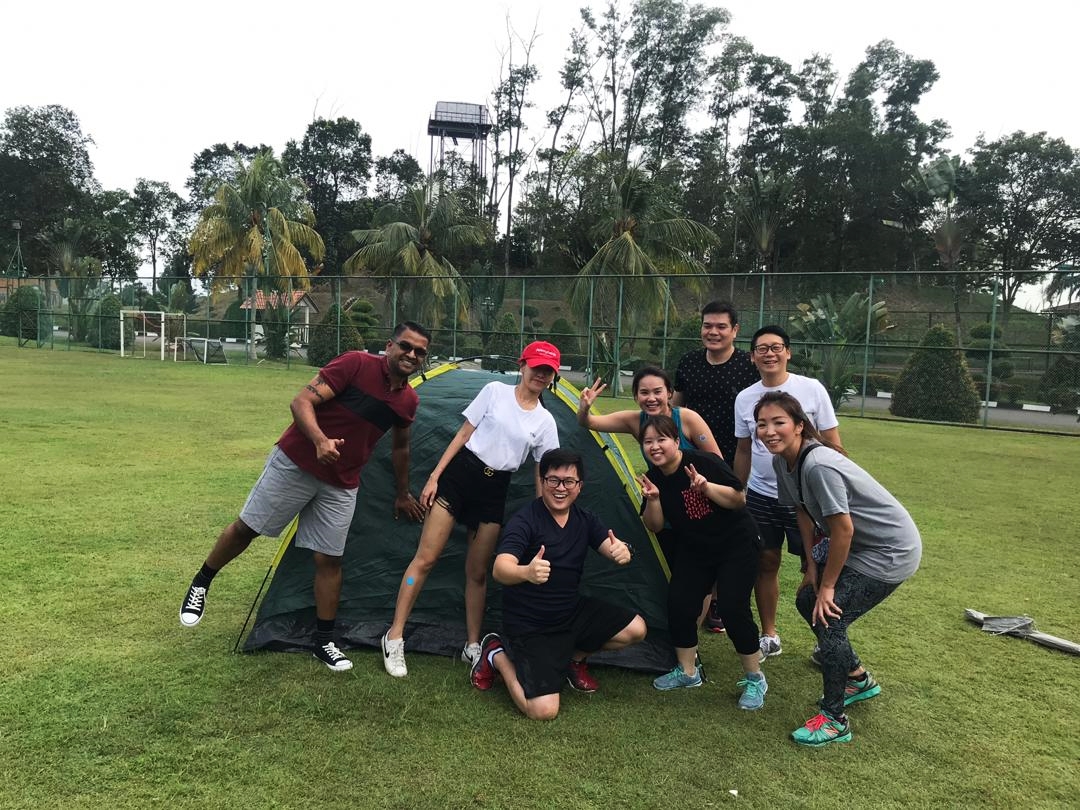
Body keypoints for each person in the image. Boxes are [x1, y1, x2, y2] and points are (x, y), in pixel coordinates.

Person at [179, 322, 431, 672]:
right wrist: (320, 441)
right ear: (389, 345)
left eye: (420, 352)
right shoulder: (355, 364)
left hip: (341, 483)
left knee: (329, 560)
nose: (412, 355)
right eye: (406, 346)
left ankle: (323, 641)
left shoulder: (407, 400)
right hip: (296, 463)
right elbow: (301, 402)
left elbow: (401, 447)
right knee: (248, 528)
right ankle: (202, 581)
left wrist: (403, 493)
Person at [381, 341, 562, 678]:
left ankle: (473, 645)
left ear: (553, 376)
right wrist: (435, 476)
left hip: (495, 491)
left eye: (548, 371)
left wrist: (544, 516)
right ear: (522, 365)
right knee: (425, 559)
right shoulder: (494, 391)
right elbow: (464, 434)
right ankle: (394, 636)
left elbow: (543, 471)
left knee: (478, 572)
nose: (540, 374)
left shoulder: (545, 421)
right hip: (460, 477)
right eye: (536, 367)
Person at [754, 392, 921, 747]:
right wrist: (811, 567)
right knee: (807, 599)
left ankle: (835, 719)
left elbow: (843, 529)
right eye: (762, 424)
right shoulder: (782, 462)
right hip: (859, 544)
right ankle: (857, 677)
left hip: (889, 549)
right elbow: (801, 512)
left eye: (778, 422)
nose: (769, 431)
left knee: (828, 616)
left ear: (799, 426)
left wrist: (828, 586)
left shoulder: (818, 465)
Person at [468, 448, 646, 719]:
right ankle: (496, 654)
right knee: (543, 711)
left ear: (580, 486)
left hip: (569, 613)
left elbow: (612, 546)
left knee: (636, 629)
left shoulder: (585, 519)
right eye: (553, 480)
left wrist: (623, 551)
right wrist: (526, 572)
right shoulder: (525, 520)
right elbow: (500, 569)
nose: (561, 488)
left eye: (569, 481)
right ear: (542, 481)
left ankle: (574, 660)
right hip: (531, 625)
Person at [637, 415, 768, 709]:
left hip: (736, 543)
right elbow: (654, 525)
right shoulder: (653, 478)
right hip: (696, 547)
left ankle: (755, 677)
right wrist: (654, 499)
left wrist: (707, 487)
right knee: (680, 602)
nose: (655, 447)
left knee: (733, 608)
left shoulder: (703, 462)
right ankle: (687, 671)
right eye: (648, 442)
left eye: (661, 439)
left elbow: (739, 499)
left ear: (676, 441)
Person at [733, 325, 842, 662]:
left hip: (807, 499)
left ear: (788, 352)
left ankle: (827, 639)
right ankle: (769, 634)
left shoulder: (812, 389)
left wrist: (831, 487)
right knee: (766, 562)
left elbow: (833, 443)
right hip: (761, 496)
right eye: (761, 349)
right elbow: (744, 450)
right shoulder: (745, 398)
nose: (769, 354)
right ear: (752, 357)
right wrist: (738, 492)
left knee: (817, 565)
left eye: (776, 347)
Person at [672, 300, 760, 634]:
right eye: (708, 325)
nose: (713, 332)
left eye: (721, 326)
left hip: (736, 462)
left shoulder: (748, 366)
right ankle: (699, 599)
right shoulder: (689, 362)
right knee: (699, 531)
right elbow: (675, 409)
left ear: (735, 330)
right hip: (692, 466)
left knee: (730, 529)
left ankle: (723, 601)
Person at [577, 365, 722, 459]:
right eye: (644, 393)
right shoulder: (634, 421)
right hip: (660, 492)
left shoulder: (688, 418)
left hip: (697, 492)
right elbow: (588, 422)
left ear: (669, 393)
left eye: (657, 392)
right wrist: (584, 409)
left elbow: (717, 462)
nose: (651, 399)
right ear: (636, 396)